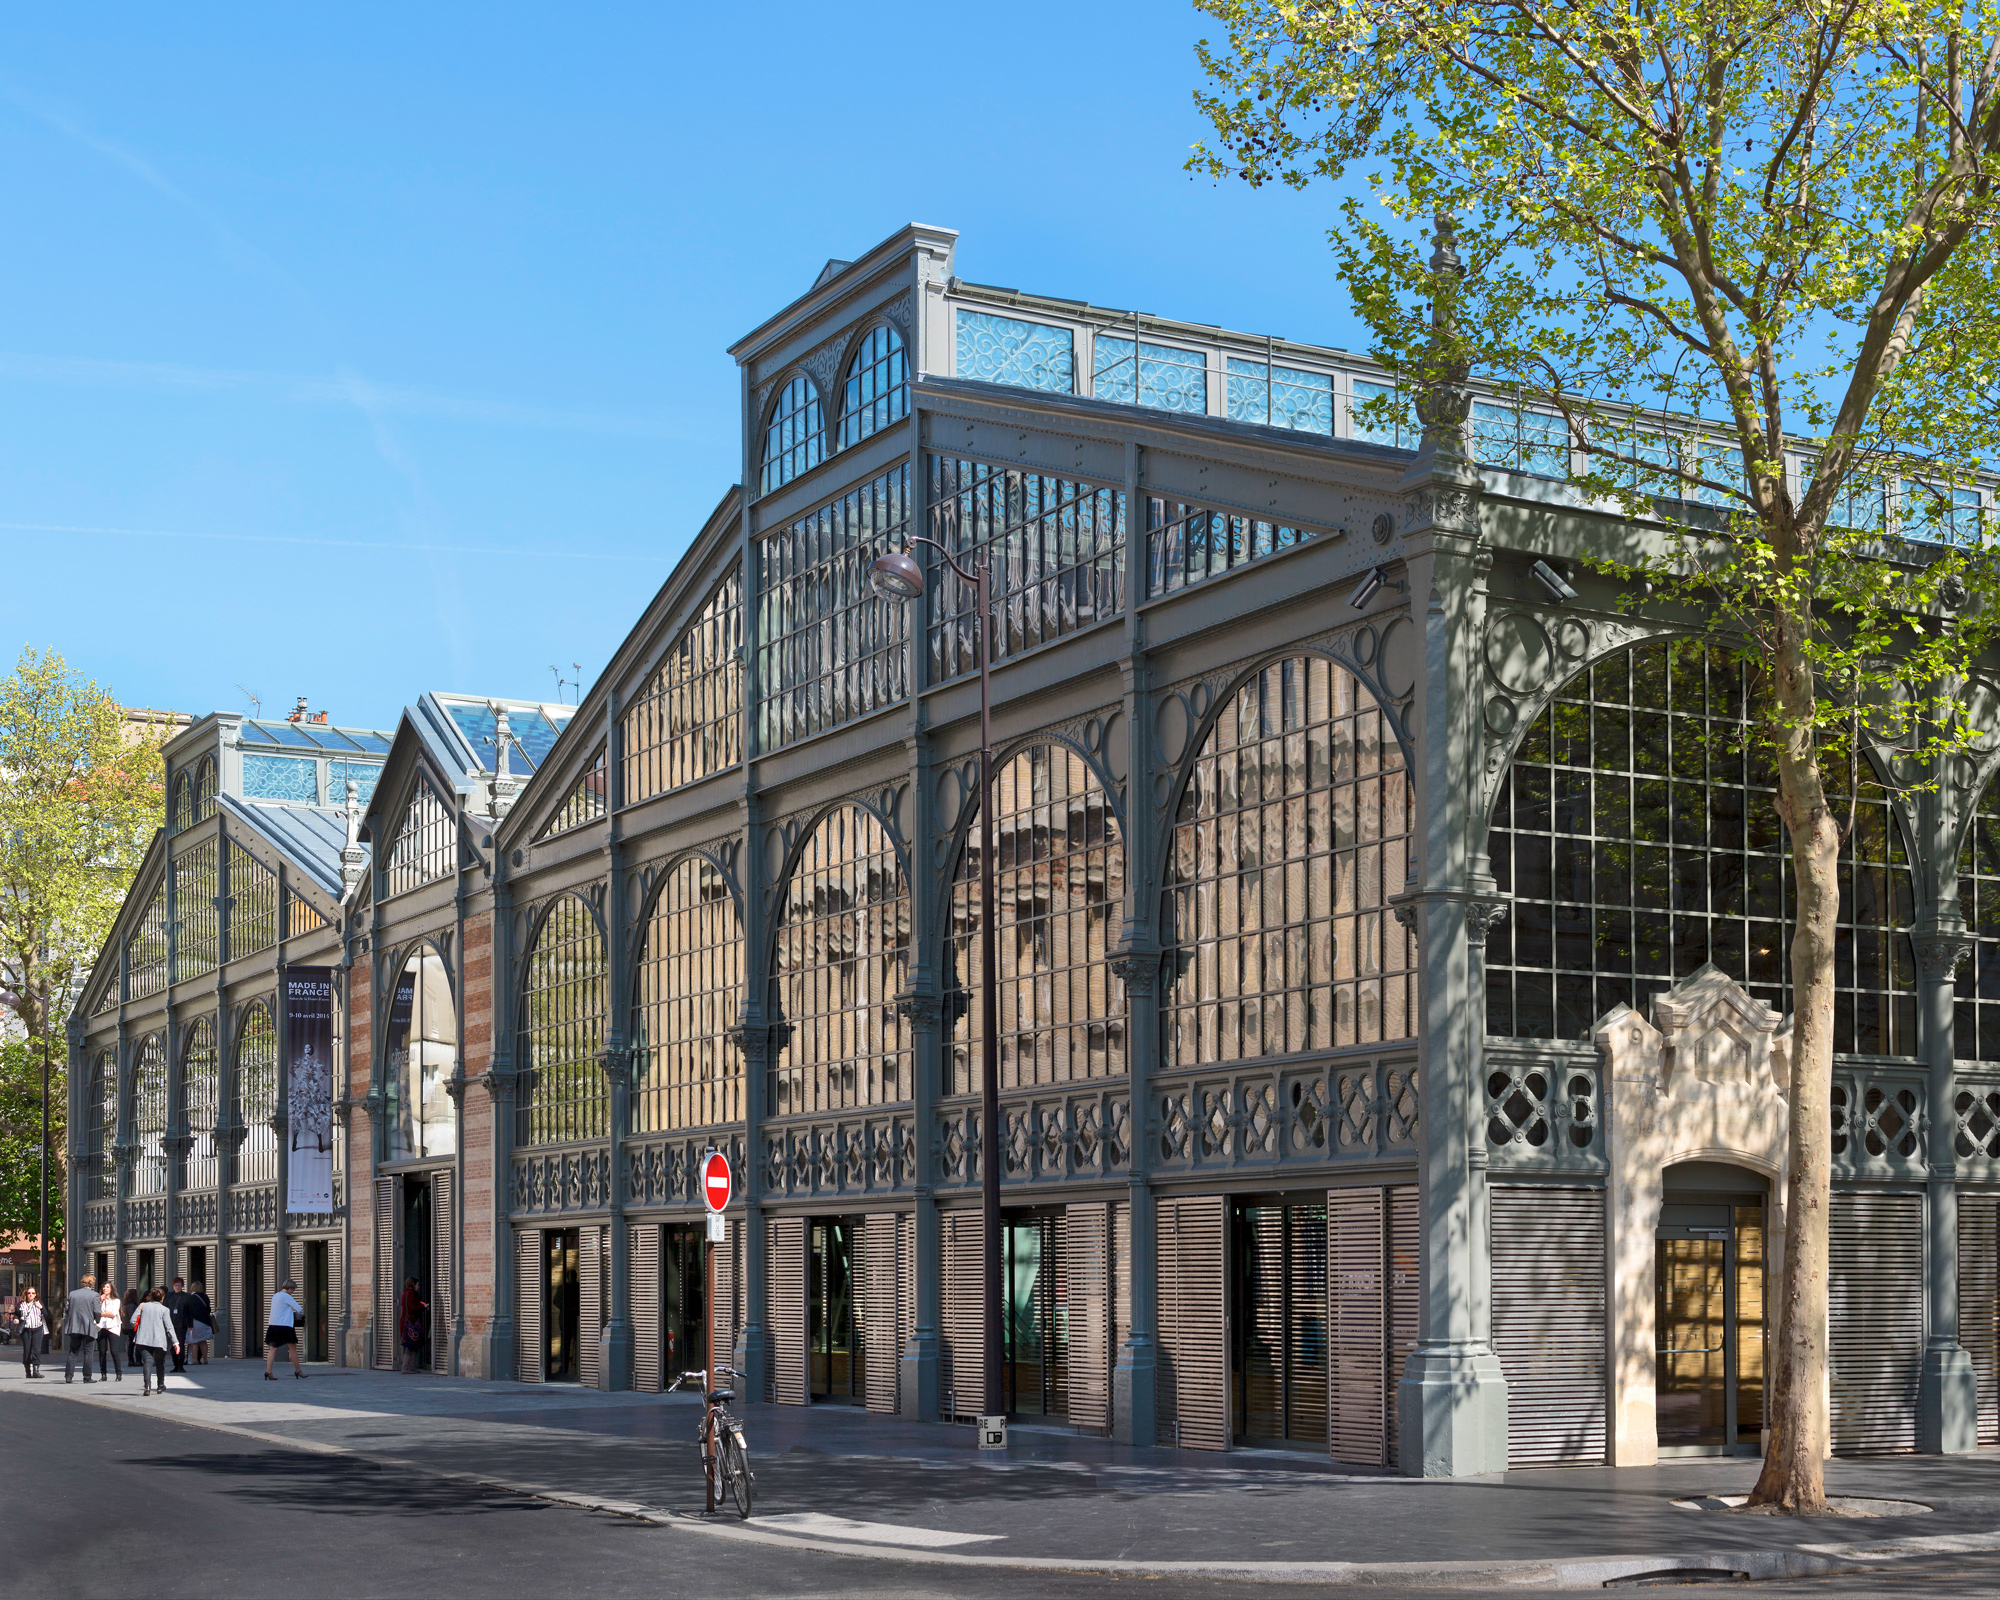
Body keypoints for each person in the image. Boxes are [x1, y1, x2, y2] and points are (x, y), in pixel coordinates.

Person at [131, 1287, 180, 1396]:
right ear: (162, 1298)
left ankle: (147, 1386)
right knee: (159, 1362)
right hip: (159, 1339)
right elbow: (169, 1327)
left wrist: (140, 1327)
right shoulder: (164, 1310)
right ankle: (160, 1386)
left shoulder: (142, 1306)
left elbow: (132, 1320)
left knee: (147, 1361)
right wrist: (175, 1342)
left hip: (143, 1339)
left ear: (151, 1297)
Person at [62, 1275, 102, 1383]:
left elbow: (67, 1309)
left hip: (74, 1325)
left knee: (73, 1351)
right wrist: (97, 1321)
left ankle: (69, 1376)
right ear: (92, 1283)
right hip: (88, 1326)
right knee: (88, 1352)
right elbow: (97, 1311)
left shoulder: (72, 1294)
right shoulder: (94, 1295)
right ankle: (87, 1377)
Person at [264, 1278, 306, 1380]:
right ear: (289, 1288)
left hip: (273, 1324)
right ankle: (298, 1371)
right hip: (285, 1325)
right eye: (293, 1290)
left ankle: (268, 1371)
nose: (293, 1292)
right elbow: (299, 1308)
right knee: (292, 1349)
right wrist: (297, 1315)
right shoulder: (286, 1296)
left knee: (273, 1349)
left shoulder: (275, 1295)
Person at [13, 1287, 46, 1378]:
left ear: (36, 1294)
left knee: (36, 1350)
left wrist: (41, 1308)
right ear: (26, 1294)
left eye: (33, 1293)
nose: (31, 1295)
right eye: (29, 1293)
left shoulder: (38, 1303)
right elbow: (17, 1314)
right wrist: (16, 1319)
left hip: (37, 1329)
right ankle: (28, 1371)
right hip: (26, 1330)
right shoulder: (21, 1304)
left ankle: (36, 1371)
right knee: (27, 1350)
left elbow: (47, 1316)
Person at [95, 1281, 124, 1382]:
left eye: (107, 1287)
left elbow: (112, 1313)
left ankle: (118, 1373)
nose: (105, 1289)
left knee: (114, 1351)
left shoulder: (116, 1301)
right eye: (104, 1287)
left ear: (111, 1289)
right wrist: (100, 1300)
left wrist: (101, 1314)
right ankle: (103, 1374)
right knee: (102, 1352)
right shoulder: (100, 1300)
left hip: (112, 1327)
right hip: (101, 1327)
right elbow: (95, 1311)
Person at [398, 1278, 427, 1374]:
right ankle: (406, 1368)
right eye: (417, 1284)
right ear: (413, 1284)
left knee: (413, 1345)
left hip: (407, 1322)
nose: (418, 1287)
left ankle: (411, 1367)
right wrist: (423, 1306)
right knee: (410, 1346)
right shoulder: (411, 1293)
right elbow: (413, 1307)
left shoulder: (405, 1293)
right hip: (411, 1323)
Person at [165, 1276, 191, 1374]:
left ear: (182, 1286)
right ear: (173, 1286)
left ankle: (180, 1365)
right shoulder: (169, 1296)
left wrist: (190, 1324)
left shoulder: (186, 1296)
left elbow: (189, 1311)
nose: (177, 1287)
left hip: (182, 1323)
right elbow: (165, 1308)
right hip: (171, 1323)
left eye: (179, 1285)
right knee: (172, 1346)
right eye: (176, 1285)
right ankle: (175, 1364)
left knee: (180, 1344)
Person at [185, 1279, 214, 1366]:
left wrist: (189, 1323)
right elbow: (209, 1309)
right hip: (205, 1322)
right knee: (203, 1341)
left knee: (194, 1342)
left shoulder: (191, 1298)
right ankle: (205, 1359)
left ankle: (195, 1360)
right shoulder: (205, 1297)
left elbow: (189, 1311)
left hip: (195, 1321)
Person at [121, 1287, 141, 1368]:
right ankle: (137, 1360)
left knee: (131, 1344)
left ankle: (131, 1360)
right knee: (137, 1344)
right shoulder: (132, 1306)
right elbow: (133, 1316)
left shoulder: (125, 1305)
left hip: (127, 1327)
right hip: (133, 1327)